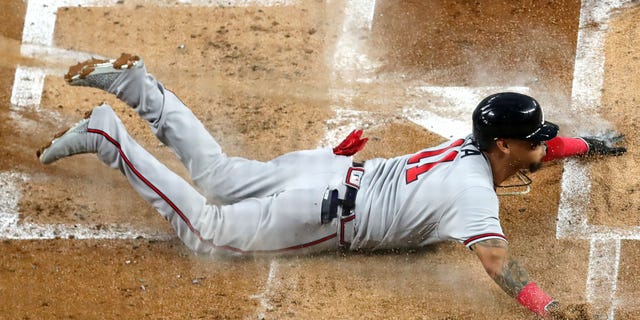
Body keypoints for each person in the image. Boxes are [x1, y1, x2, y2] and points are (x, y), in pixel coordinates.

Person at [37, 53, 626, 319]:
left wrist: (590, 146)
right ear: (503, 146)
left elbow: (542, 153)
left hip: (325, 169)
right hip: (321, 212)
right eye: (534, 140)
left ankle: (141, 88)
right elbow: (498, 262)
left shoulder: (472, 143)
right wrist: (547, 309)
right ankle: (111, 139)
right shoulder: (472, 194)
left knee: (217, 174)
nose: (543, 146)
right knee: (206, 232)